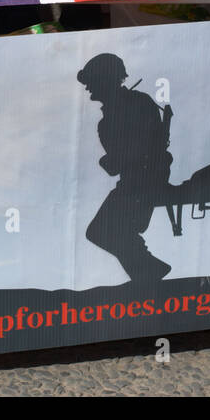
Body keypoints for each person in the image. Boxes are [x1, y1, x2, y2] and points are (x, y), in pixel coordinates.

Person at [78, 54, 174, 282]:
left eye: (91, 81)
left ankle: (149, 270)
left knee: (101, 231)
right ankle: (149, 270)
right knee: (103, 231)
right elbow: (120, 160)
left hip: (144, 180)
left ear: (105, 79)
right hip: (134, 181)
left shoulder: (135, 105)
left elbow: (133, 153)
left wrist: (111, 161)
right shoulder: (109, 120)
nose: (88, 88)